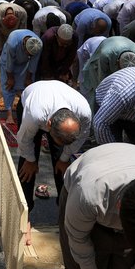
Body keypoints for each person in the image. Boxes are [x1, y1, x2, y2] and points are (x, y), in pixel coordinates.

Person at [15, 81, 91, 218]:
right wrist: (30, 160)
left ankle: (65, 208)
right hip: (32, 97)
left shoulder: (84, 113)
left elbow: (80, 138)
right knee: (26, 165)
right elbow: (24, 140)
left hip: (56, 105)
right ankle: (23, 211)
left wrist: (64, 158)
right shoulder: (34, 115)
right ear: (48, 125)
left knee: (63, 164)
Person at [80, 36, 135, 107]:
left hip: (118, 45)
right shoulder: (105, 55)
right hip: (101, 58)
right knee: (96, 90)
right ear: (117, 61)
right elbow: (101, 81)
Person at [0, 29, 43, 124]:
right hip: (8, 60)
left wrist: (28, 78)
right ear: (24, 44)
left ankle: (25, 111)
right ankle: (9, 114)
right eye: (28, 53)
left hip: (24, 63)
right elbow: (9, 64)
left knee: (24, 86)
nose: (29, 55)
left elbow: (33, 64)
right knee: (8, 86)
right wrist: (10, 78)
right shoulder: (12, 44)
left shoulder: (38, 45)